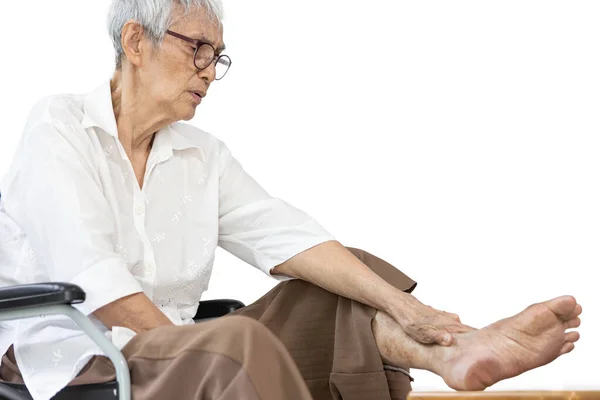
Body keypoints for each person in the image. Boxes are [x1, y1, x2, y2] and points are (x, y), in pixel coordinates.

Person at [0, 1, 582, 400]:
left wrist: (410, 311)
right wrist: (193, 349)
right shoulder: (58, 126)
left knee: (341, 286)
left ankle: (452, 352)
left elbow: (287, 235)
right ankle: (222, 351)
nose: (209, 71)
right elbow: (95, 278)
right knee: (238, 340)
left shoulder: (202, 154)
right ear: (135, 41)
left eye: (217, 57)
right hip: (78, 358)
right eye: (198, 48)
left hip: (174, 347)